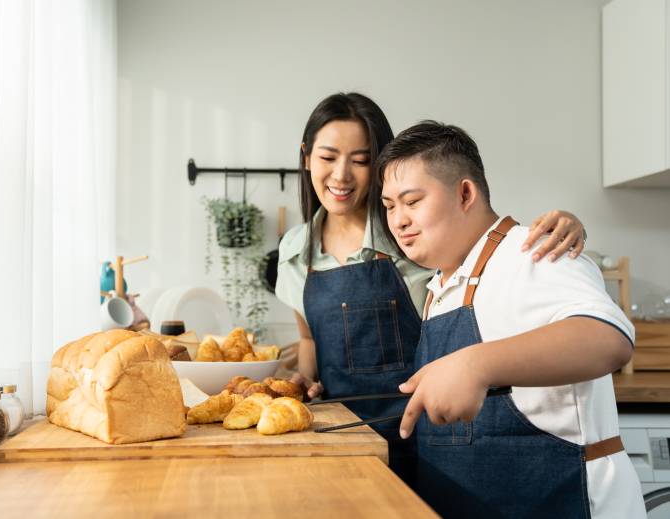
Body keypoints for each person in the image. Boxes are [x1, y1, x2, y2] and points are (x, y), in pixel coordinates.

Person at [275, 92, 587, 486]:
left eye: (361, 160)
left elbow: (488, 245)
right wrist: (302, 382)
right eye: (327, 157)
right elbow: (309, 340)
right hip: (340, 440)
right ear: (306, 156)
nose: (341, 175)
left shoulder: (417, 235)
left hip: (431, 438)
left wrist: (565, 225)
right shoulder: (294, 251)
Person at [377, 120, 644, 518]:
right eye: (389, 206)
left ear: (465, 193)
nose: (397, 220)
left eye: (412, 201)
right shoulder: (440, 284)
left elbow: (609, 339)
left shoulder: (533, 250)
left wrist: (476, 364)